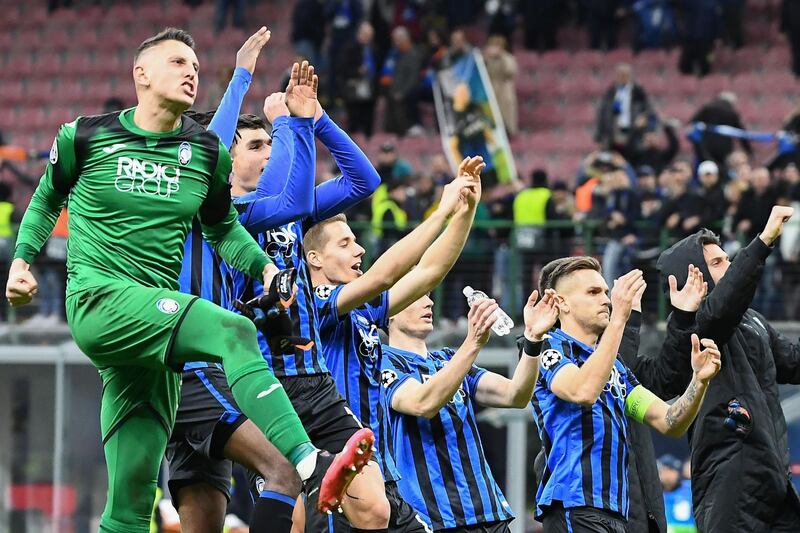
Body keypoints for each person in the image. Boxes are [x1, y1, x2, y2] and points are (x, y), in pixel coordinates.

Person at [5, 27, 371, 533]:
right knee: (234, 331)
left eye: (196, 66)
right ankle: (312, 464)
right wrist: (23, 260)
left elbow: (225, 230)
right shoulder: (84, 136)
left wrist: (264, 267)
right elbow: (46, 198)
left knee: (130, 507)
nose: (191, 72)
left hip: (154, 339)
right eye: (178, 63)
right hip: (99, 302)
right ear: (142, 75)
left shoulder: (204, 155)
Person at [168, 32, 336, 532]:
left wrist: (299, 126)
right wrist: (241, 76)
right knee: (284, 471)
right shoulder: (179, 202)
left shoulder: (232, 214)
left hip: (195, 371)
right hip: (191, 366)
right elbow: (212, 155)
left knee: (204, 523)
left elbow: (292, 203)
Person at [225, 72, 391, 531]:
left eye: (270, 146)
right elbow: (274, 195)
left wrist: (315, 120)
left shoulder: (295, 211)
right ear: (228, 157)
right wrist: (287, 126)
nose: (268, 153)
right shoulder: (222, 216)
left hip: (315, 382)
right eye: (256, 146)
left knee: (375, 509)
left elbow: (363, 180)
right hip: (260, 385)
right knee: (290, 519)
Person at [305, 156, 485, 532]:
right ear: (314, 258)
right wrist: (441, 212)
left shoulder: (362, 312)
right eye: (345, 243)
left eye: (356, 241)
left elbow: (429, 271)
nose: (358, 250)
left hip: (383, 477)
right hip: (341, 480)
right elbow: (387, 274)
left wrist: (464, 211)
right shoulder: (313, 303)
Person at [530, 260, 721, 532]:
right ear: (561, 303)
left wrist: (699, 381)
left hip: (618, 512)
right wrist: (621, 316)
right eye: (593, 292)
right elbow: (582, 391)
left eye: (607, 293)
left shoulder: (616, 367)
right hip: (575, 505)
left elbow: (669, 421)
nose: (606, 300)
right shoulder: (550, 348)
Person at [656, 205, 800, 531]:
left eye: (728, 259)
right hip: (729, 471)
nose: (730, 266)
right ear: (696, 277)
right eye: (718, 263)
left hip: (772, 468)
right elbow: (722, 309)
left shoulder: (753, 321)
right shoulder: (694, 324)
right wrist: (764, 241)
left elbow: (792, 362)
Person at [379, 287, 559, 532]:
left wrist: (533, 339)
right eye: (416, 295)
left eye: (430, 295)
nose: (429, 303)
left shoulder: (447, 358)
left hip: (487, 511)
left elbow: (516, 395)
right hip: (432, 519)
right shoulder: (380, 363)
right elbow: (422, 403)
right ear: (388, 313)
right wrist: (473, 342)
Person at [595, 64, 653, 154]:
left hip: (633, 132)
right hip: (614, 131)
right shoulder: (611, 92)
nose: (622, 77)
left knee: (631, 156)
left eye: (625, 75)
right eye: (620, 75)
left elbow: (648, 111)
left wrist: (644, 121)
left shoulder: (638, 92)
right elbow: (602, 114)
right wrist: (599, 137)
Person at [483, 34, 518, 136]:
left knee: (506, 120)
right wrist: (485, 57)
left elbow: (511, 72)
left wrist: (501, 56)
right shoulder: (485, 58)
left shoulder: (508, 58)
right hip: (489, 90)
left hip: (504, 91)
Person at [658, 454, 696, 533]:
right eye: (664, 470)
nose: (667, 474)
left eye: (670, 470)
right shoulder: (654, 494)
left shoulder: (689, 489)